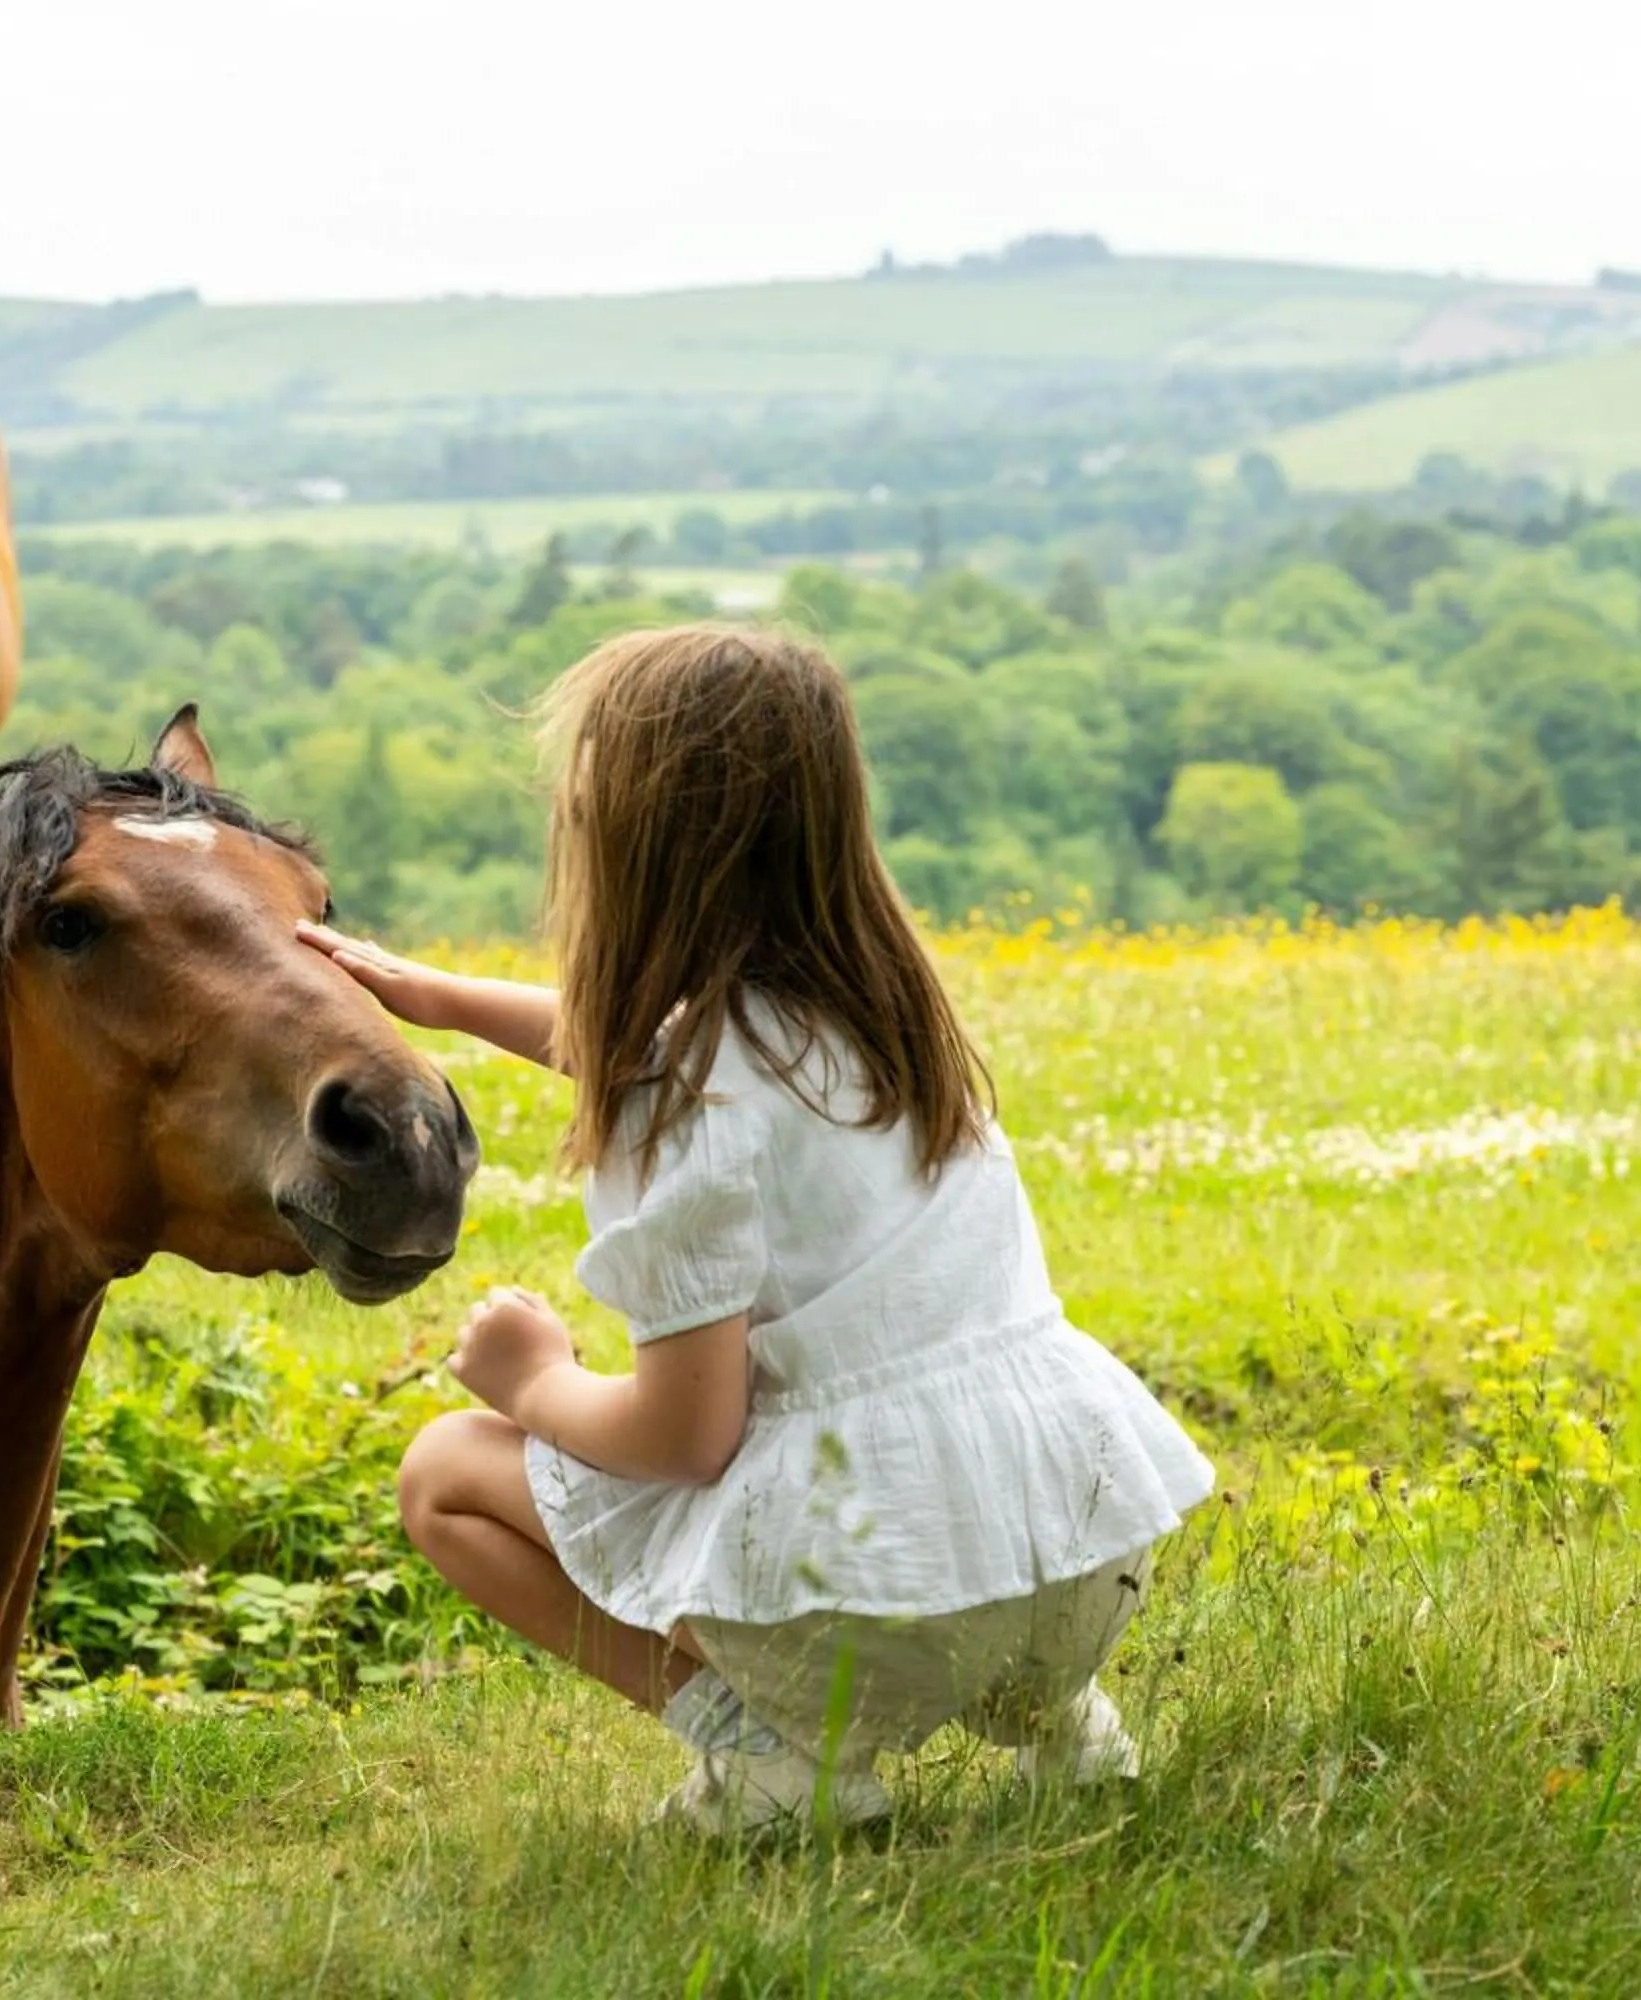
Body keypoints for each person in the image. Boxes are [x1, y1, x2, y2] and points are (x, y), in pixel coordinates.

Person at [298, 623, 1214, 1837]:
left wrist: (537, 1380)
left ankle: (780, 1762)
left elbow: (684, 1434)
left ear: (627, 848)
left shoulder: (680, 1107)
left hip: (878, 1607)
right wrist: (441, 999)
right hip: (1072, 1559)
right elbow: (659, 1040)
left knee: (447, 1475)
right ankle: (1069, 1725)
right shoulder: (884, 1017)